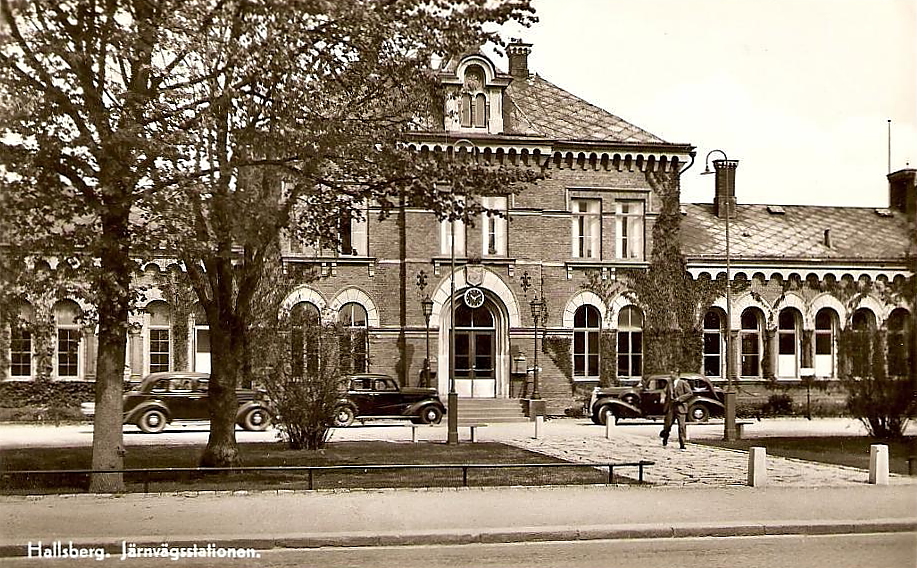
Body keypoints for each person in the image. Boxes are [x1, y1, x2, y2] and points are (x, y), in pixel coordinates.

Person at [660, 374, 693, 450]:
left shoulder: (683, 383)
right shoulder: (669, 384)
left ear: (676, 374)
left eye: (672, 374)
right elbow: (664, 391)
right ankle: (665, 438)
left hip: (680, 407)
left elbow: (689, 393)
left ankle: (682, 443)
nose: (670, 375)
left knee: (681, 426)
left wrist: (680, 399)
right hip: (671, 407)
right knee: (667, 425)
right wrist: (662, 398)